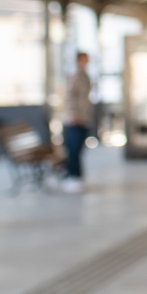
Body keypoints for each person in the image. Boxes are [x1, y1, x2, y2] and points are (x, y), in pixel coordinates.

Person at [60, 51, 94, 193]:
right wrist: (73, 115)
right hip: (75, 119)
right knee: (73, 150)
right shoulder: (75, 76)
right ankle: (72, 176)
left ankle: (77, 176)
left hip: (84, 118)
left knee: (78, 149)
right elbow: (70, 97)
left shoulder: (85, 75)